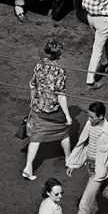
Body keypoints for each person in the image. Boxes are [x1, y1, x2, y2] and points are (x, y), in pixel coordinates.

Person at [22, 38, 73, 180]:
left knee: (36, 137)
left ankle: (28, 167)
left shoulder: (39, 65)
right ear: (59, 54)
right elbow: (60, 94)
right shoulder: (60, 71)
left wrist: (33, 101)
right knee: (63, 132)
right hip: (53, 110)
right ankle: (68, 158)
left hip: (38, 108)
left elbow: (32, 84)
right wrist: (68, 116)